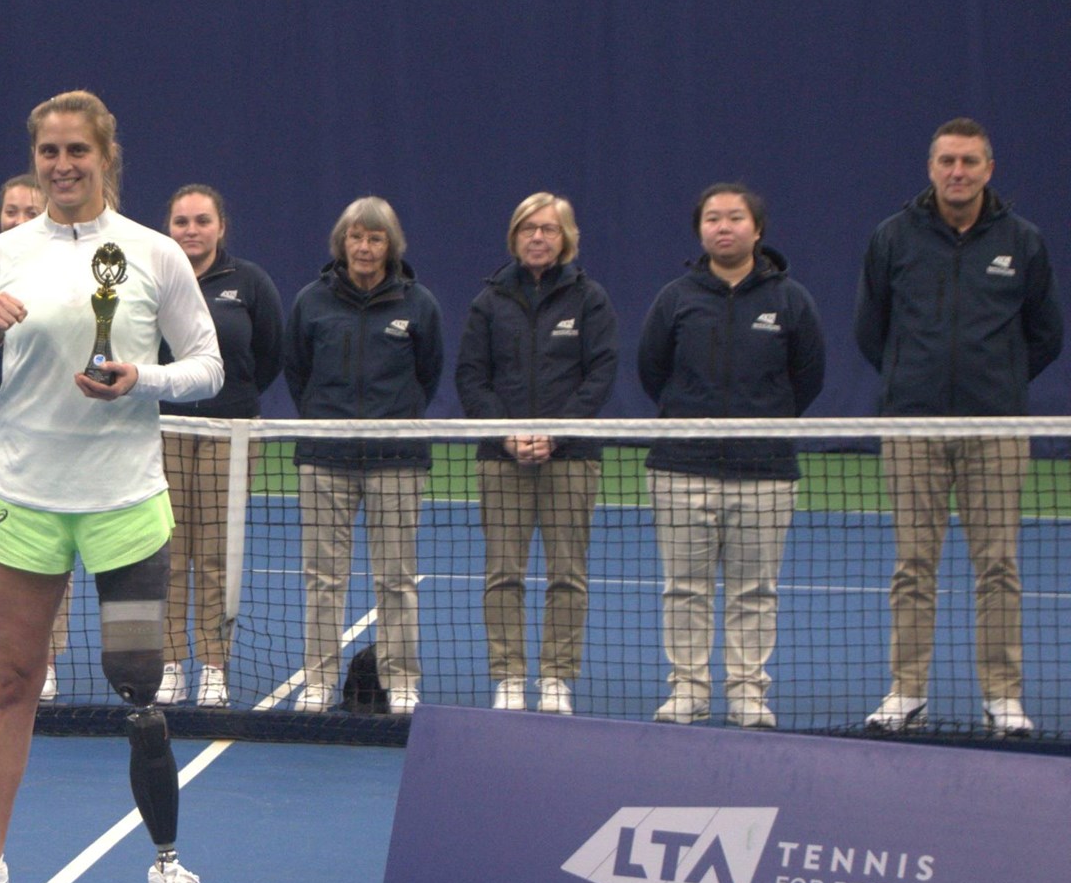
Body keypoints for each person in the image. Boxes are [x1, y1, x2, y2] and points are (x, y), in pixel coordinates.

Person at [0, 90, 224, 883]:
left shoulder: (155, 255)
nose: (61, 166)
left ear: (106, 157)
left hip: (124, 508)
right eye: (48, 152)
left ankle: (168, 870)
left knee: (139, 690)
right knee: (14, 681)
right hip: (22, 503)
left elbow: (208, 365)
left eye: (76, 152)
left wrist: (145, 378)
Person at [856, 119, 1063, 737]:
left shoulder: (1022, 242)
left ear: (988, 169)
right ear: (931, 167)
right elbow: (873, 330)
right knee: (913, 565)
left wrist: (999, 383)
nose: (958, 172)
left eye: (969, 161)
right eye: (947, 160)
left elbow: (1046, 333)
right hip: (913, 427)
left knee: (997, 564)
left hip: (994, 429)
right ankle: (906, 692)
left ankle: (1002, 697)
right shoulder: (893, 238)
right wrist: (908, 382)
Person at [638, 183, 824, 729]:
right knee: (685, 588)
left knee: (755, 590)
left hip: (765, 473)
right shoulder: (676, 298)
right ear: (701, 230)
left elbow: (806, 378)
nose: (724, 227)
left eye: (735, 218)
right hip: (680, 469)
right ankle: (689, 690)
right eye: (713, 218)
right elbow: (654, 371)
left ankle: (747, 691)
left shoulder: (791, 300)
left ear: (757, 230)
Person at [454, 193, 617, 715]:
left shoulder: (590, 300)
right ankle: (508, 677)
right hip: (502, 461)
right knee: (503, 572)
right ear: (515, 236)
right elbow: (472, 378)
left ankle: (556, 679)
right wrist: (508, 436)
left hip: (571, 459)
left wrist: (556, 435)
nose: (538, 237)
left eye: (548, 229)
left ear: (565, 237)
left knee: (568, 573)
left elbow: (599, 376)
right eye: (528, 229)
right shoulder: (489, 301)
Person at [285, 197, 442, 716]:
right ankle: (318, 680)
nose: (365, 247)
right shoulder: (311, 302)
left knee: (396, 578)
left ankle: (400, 680)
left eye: (375, 238)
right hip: (325, 458)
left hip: (396, 460)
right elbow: (297, 372)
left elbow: (428, 373)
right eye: (356, 236)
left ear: (389, 245)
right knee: (323, 577)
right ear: (342, 242)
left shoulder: (418, 305)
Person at [155, 184, 284, 708]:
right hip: (163, 430)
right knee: (166, 552)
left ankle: (213, 664)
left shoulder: (249, 283)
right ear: (170, 227)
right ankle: (168, 663)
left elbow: (268, 355)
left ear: (220, 227)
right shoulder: (155, 280)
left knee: (214, 555)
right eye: (182, 221)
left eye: (201, 221)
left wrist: (233, 401)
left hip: (229, 434)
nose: (191, 230)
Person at [0, 176, 71, 703]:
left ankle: (45, 660)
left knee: (51, 548)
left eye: (30, 210)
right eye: (10, 210)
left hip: (46, 432)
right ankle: (7, 662)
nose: (18, 218)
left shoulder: (67, 273)